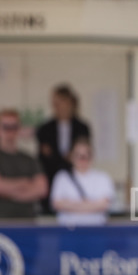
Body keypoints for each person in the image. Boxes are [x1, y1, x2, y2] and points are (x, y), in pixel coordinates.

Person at [0, 109, 47, 219]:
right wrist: (24, 183)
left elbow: (41, 189)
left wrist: (8, 192)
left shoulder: (29, 159)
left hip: (27, 223)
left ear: (19, 129)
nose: (10, 132)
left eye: (14, 127)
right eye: (6, 127)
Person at [36, 84, 91, 213]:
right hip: (51, 179)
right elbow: (43, 155)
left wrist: (72, 156)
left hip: (76, 179)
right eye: (55, 103)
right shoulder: (45, 129)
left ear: (70, 103)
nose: (58, 106)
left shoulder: (82, 127)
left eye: (62, 102)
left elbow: (84, 152)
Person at [49, 138, 115, 226]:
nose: (82, 159)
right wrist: (91, 205)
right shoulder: (62, 177)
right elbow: (56, 203)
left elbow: (105, 204)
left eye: (86, 155)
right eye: (78, 155)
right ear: (71, 157)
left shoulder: (103, 178)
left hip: (96, 229)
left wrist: (70, 204)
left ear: (92, 157)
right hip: (68, 229)